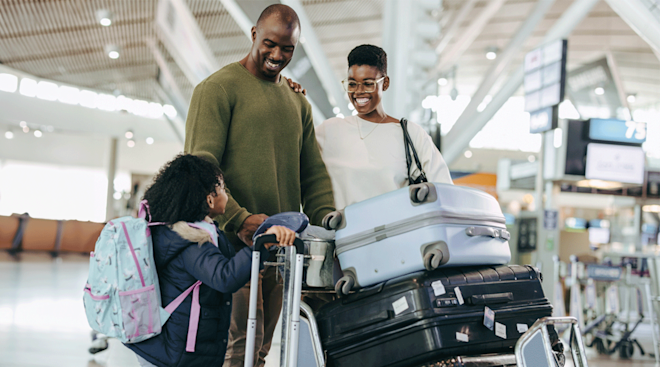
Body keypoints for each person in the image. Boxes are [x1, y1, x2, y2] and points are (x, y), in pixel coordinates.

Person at [183, 4, 335, 367]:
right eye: (270, 44)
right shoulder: (217, 89)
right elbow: (201, 169)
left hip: (279, 250)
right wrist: (240, 219)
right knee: (237, 348)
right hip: (231, 248)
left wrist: (328, 220)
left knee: (261, 349)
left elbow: (312, 172)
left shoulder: (297, 101)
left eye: (288, 49)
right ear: (253, 34)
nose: (277, 55)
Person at [126, 154, 297, 367]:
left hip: (168, 344)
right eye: (223, 189)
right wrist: (261, 245)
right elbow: (224, 276)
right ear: (210, 198)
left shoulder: (174, 231)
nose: (226, 195)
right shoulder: (190, 241)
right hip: (176, 353)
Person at [316, 44, 453, 210]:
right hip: (343, 233)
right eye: (352, 84)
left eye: (368, 84)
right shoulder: (329, 131)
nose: (359, 92)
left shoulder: (410, 134)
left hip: (395, 233)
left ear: (385, 83)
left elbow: (445, 191)